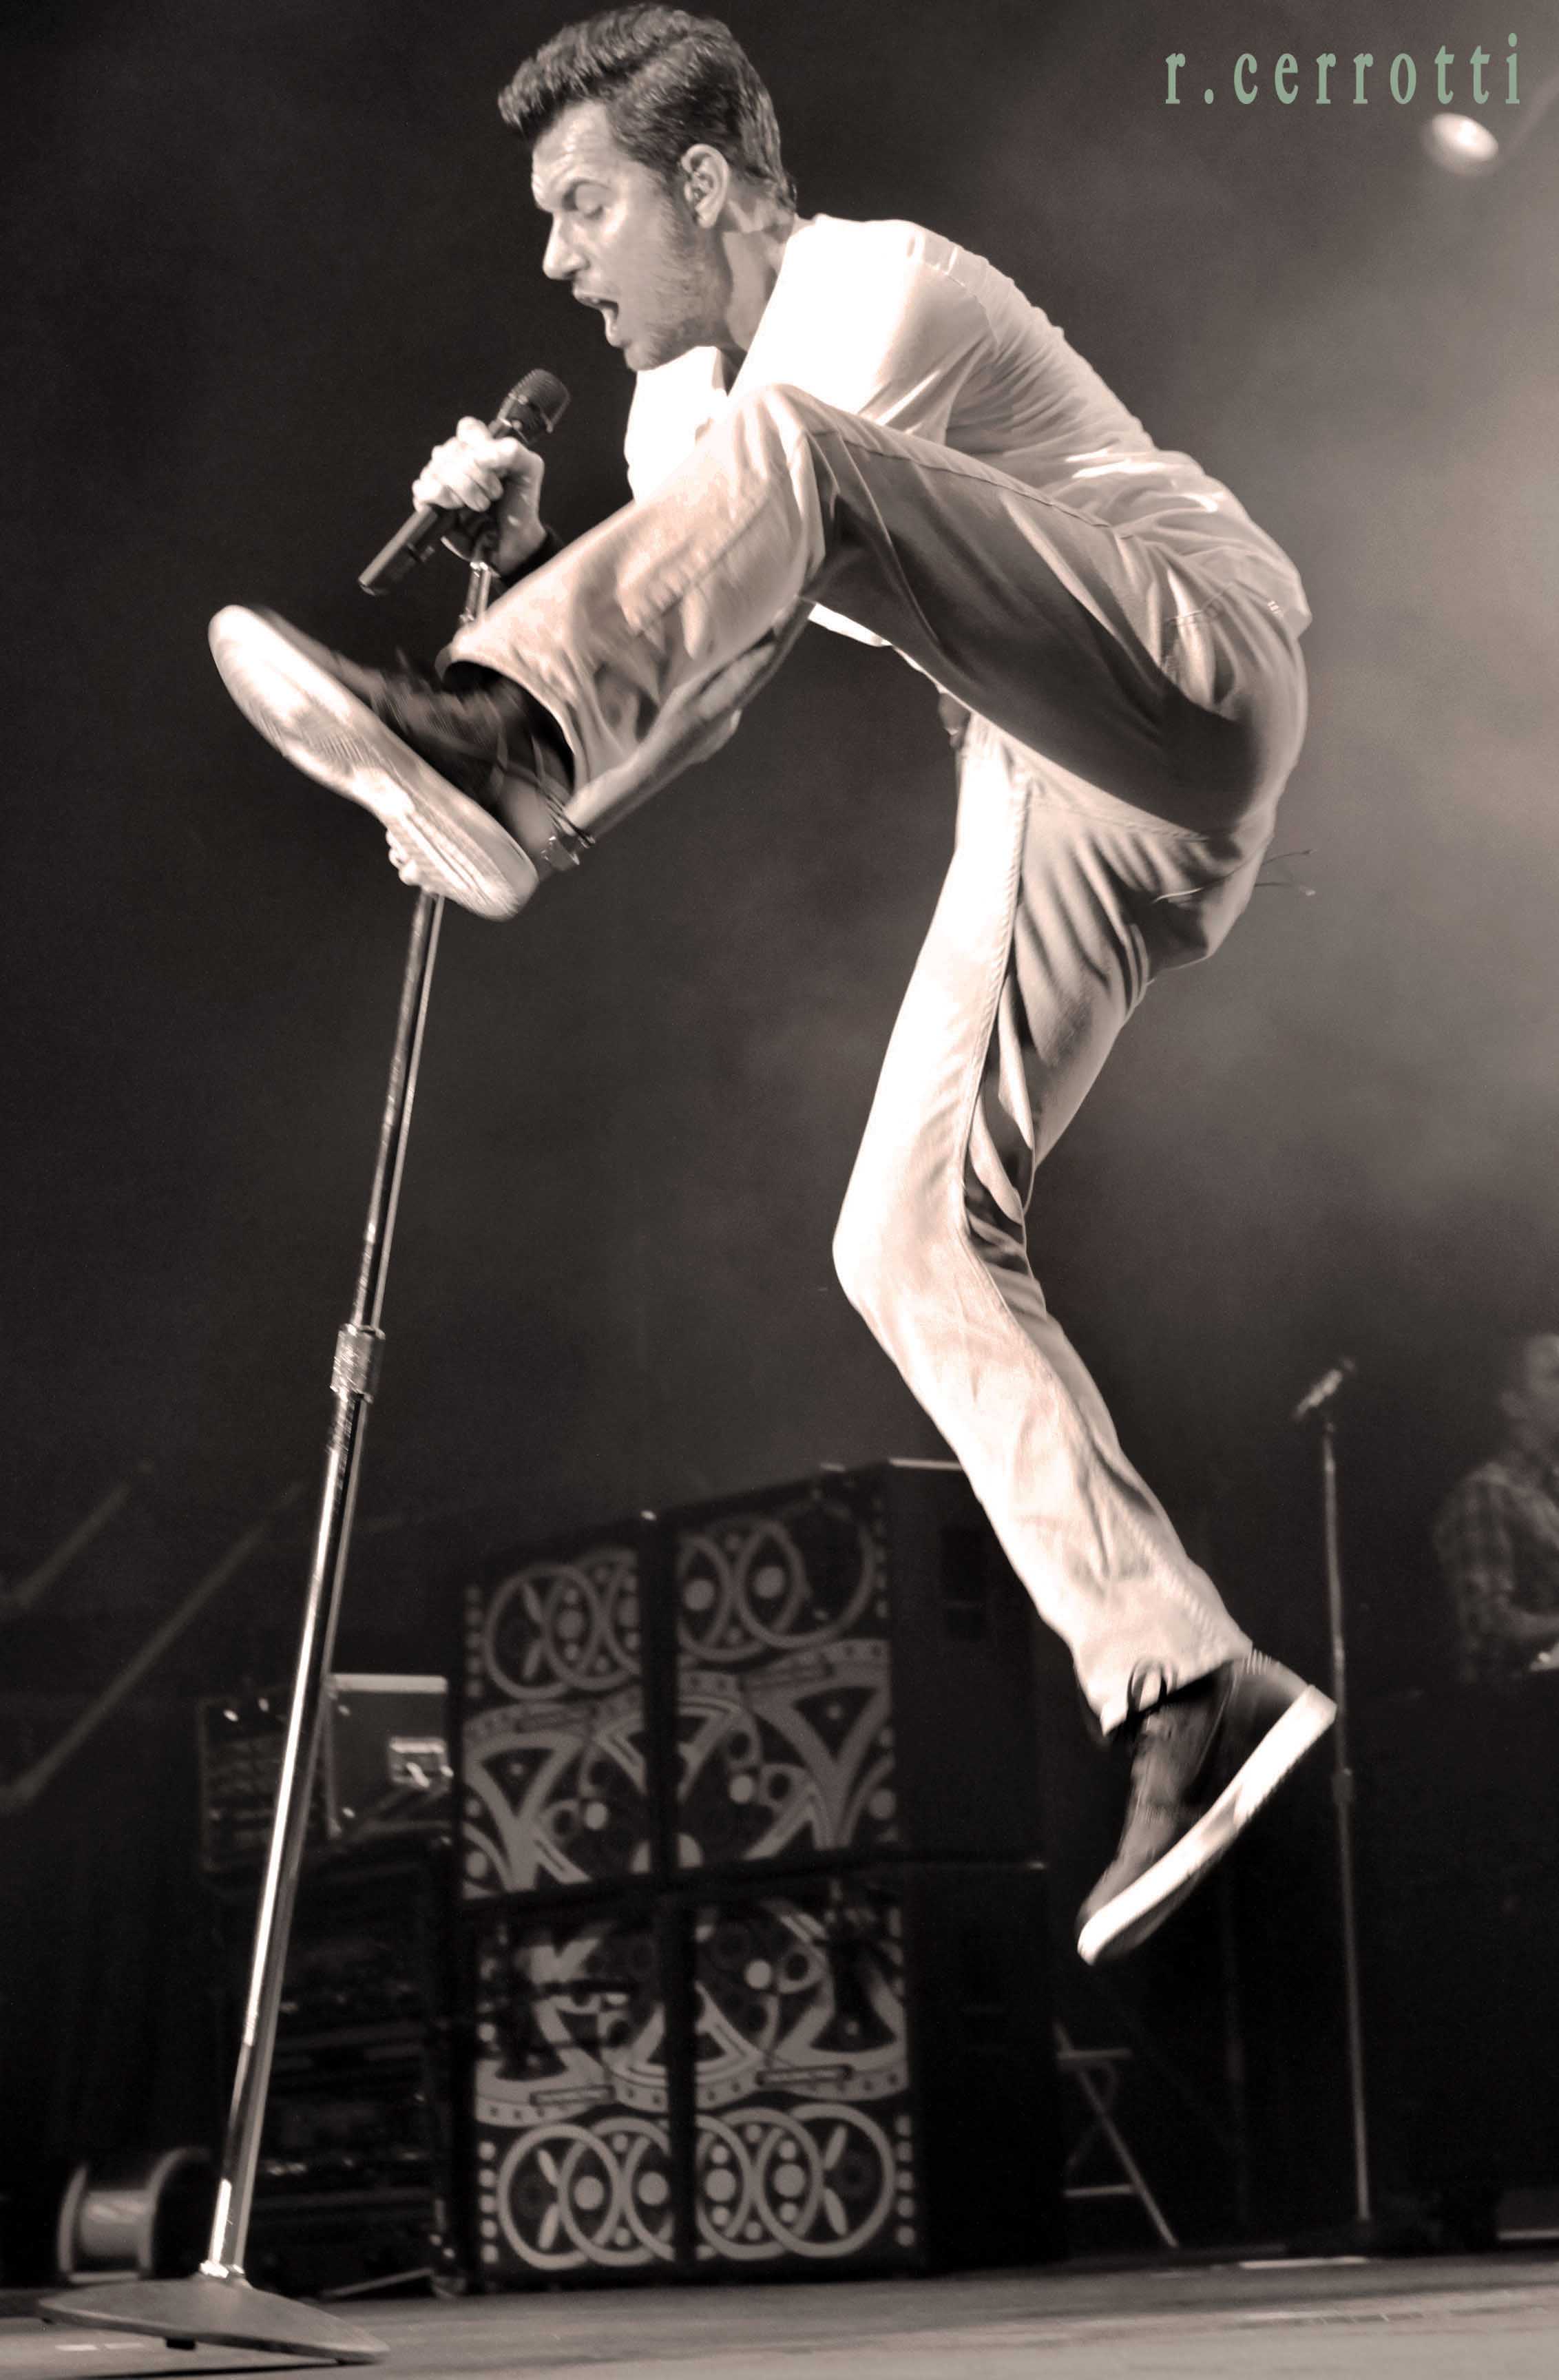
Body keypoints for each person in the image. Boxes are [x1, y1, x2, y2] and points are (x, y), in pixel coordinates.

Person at [211, 6, 1335, 1965]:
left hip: (1187, 644)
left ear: (709, 184)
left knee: (790, 469)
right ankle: (1184, 1682)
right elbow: (701, 673)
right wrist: (520, 637)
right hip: (1056, 779)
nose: (555, 258)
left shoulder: (873, 288)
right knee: (901, 1237)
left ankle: (497, 738)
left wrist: (513, 729)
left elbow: (743, 589)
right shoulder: (684, 421)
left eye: (585, 205)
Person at [1432, 1332, 1559, 1683]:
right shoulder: (1486, 1492)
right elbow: (1488, 1625)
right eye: (1556, 1375)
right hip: (1528, 1710)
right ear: (1514, 1404)